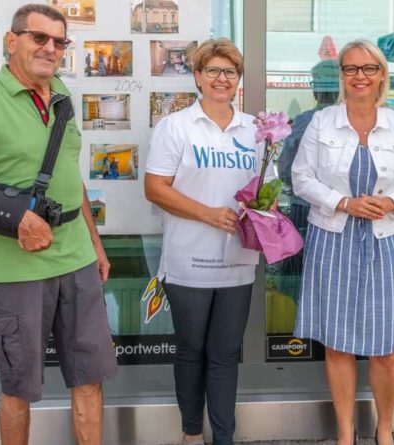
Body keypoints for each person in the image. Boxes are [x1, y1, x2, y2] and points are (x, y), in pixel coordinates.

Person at [0, 4, 118, 445]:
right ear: (12, 41)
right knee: (19, 387)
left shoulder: (61, 93)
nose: (50, 48)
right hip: (16, 266)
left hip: (76, 258)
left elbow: (68, 174)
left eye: (59, 41)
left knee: (90, 378)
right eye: (39, 38)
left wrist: (95, 245)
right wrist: (17, 217)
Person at [291, 39, 394, 445]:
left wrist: (391, 201)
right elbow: (301, 178)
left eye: (368, 69)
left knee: (386, 349)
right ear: (342, 76)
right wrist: (344, 202)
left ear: (382, 75)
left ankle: (384, 430)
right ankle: (345, 432)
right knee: (338, 345)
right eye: (351, 69)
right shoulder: (321, 122)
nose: (359, 77)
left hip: (384, 241)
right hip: (333, 239)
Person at [144, 38, 272, 445]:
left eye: (230, 72)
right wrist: (208, 214)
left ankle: (224, 436)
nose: (222, 79)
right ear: (198, 76)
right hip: (189, 262)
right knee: (191, 351)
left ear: (238, 80)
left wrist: (266, 212)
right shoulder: (176, 126)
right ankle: (191, 432)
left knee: (224, 354)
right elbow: (155, 188)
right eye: (213, 71)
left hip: (238, 261)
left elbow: (265, 193)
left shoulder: (256, 130)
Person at [276, 58, 340, 289]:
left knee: (299, 273)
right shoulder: (356, 120)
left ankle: (293, 317)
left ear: (315, 90)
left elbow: (285, 169)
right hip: (345, 210)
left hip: (305, 207)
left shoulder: (304, 121)